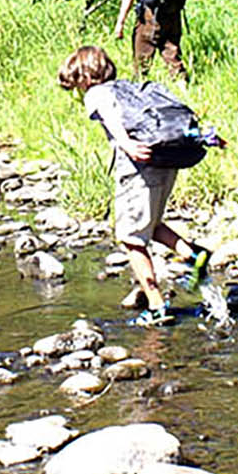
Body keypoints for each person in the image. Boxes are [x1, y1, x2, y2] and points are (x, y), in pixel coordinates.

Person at [57, 45, 215, 326]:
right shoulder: (128, 88)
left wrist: (127, 144)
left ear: (84, 75)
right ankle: (193, 254)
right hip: (165, 162)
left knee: (131, 238)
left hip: (138, 168)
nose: (77, 90)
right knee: (151, 225)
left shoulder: (97, 93)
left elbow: (109, 117)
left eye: (76, 82)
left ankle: (156, 306)